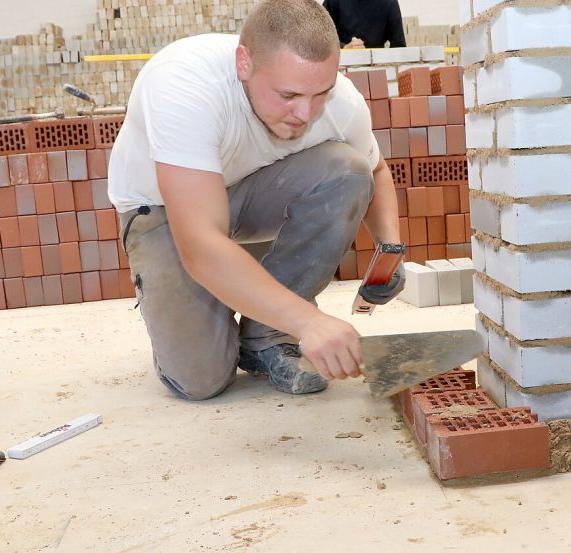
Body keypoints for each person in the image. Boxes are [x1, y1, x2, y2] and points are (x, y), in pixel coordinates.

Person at [107, 0, 404, 400]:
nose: (306, 112)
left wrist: (390, 251)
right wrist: (310, 322)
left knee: (349, 168)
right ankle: (218, 316)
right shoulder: (184, 84)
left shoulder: (339, 101)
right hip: (163, 210)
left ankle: (266, 336)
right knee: (201, 381)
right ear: (244, 63)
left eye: (321, 93)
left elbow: (376, 170)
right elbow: (200, 245)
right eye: (289, 95)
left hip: (250, 193)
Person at [323, 0, 406, 49]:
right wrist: (343, 48)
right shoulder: (334, 1)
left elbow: (399, 46)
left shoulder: (389, 3)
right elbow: (320, 37)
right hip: (341, 65)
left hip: (377, 66)